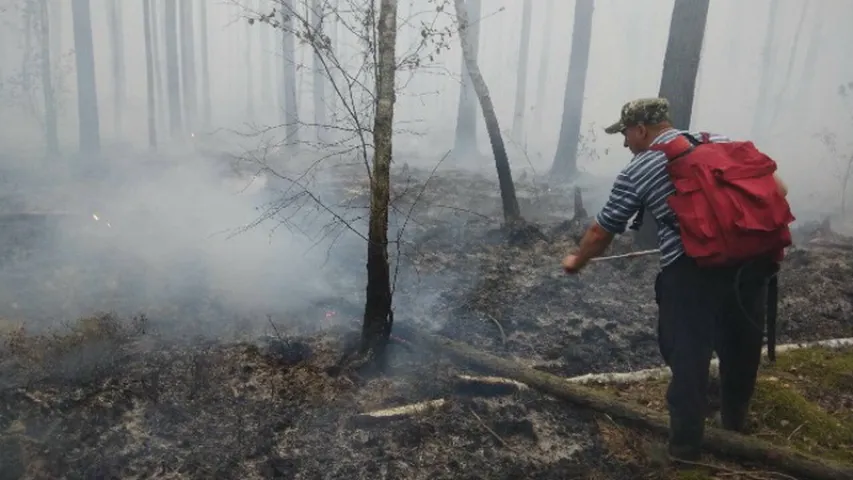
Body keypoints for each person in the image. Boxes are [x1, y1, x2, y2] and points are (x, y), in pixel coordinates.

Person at [561, 97, 790, 461]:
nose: (624, 143)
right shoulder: (721, 140)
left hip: (692, 272)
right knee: (742, 346)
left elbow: (603, 229)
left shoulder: (642, 166)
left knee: (688, 357)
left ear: (641, 130)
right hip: (752, 264)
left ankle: (684, 449)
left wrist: (577, 259)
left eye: (625, 134)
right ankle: (734, 425)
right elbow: (779, 188)